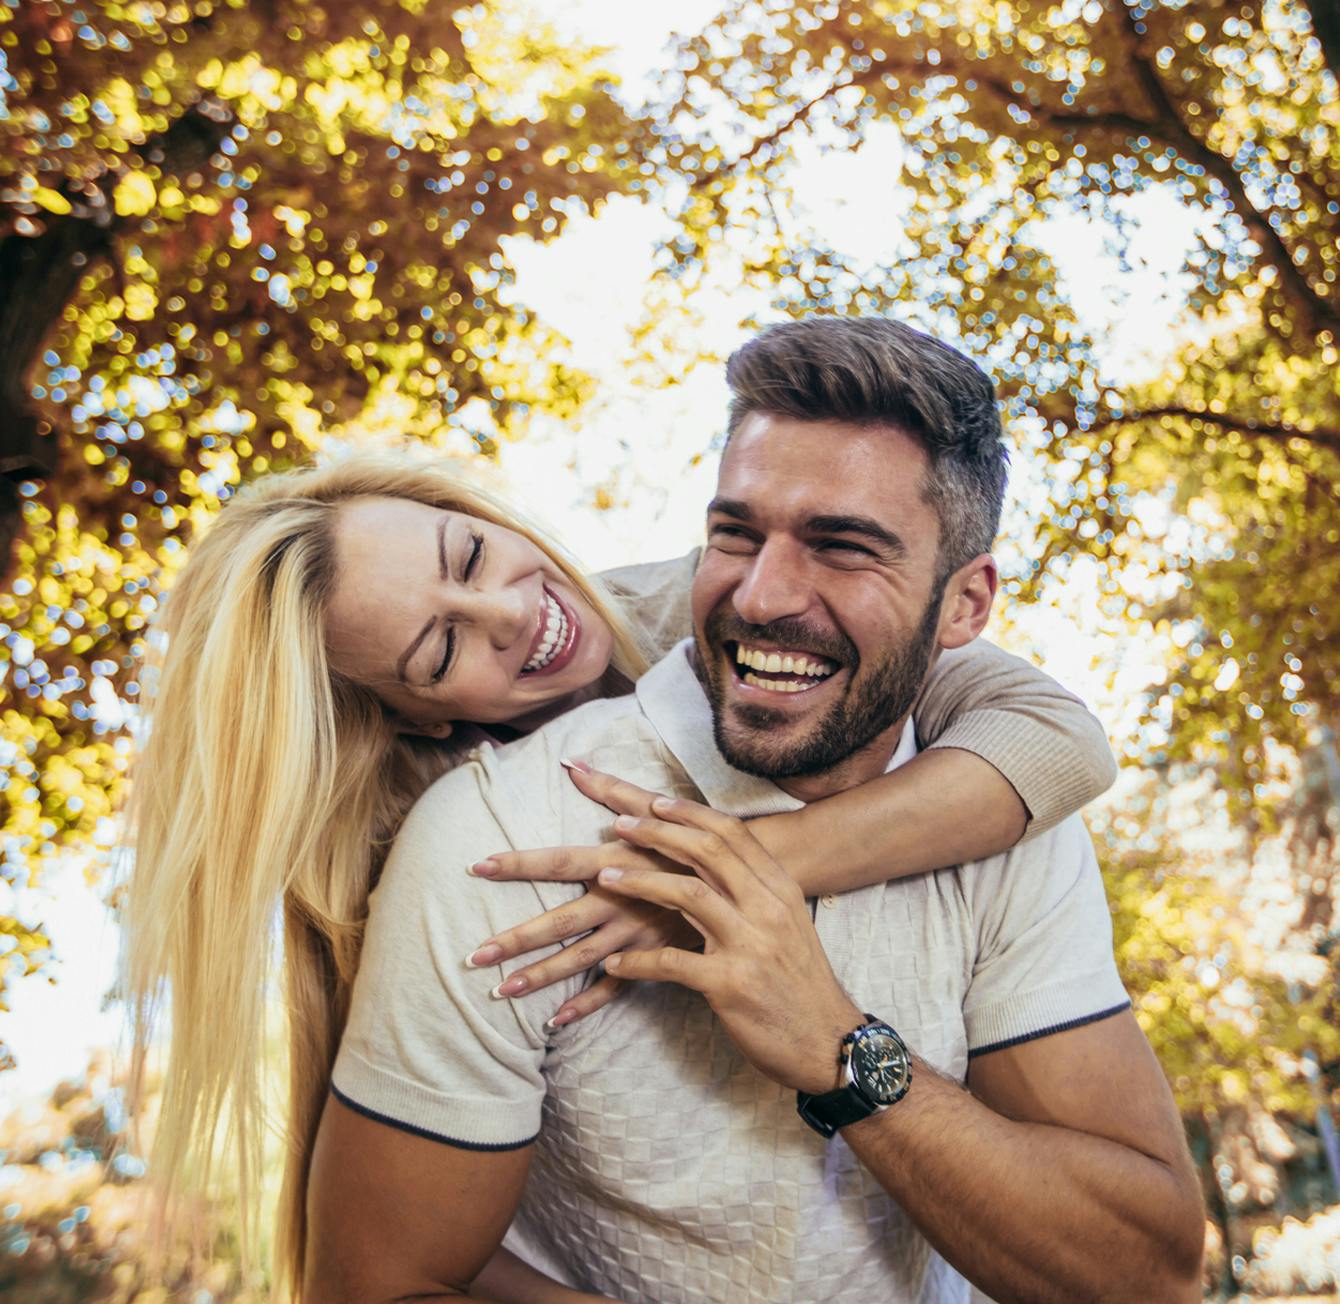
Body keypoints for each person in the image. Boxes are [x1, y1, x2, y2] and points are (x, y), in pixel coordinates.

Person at [307, 317, 1205, 1303]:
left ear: (961, 604)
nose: (767, 590)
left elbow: (1061, 739)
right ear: (418, 718)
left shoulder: (982, 792)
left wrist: (818, 1012)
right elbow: (379, 1273)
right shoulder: (491, 839)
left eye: (843, 545)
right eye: (735, 531)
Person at [123, 438, 1113, 1292]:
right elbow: (393, 1257)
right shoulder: (458, 839)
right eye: (438, 649)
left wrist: (714, 878)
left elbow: (1061, 741)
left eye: (468, 554)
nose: (507, 614)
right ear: (416, 711)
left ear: (475, 512)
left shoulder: (726, 602)